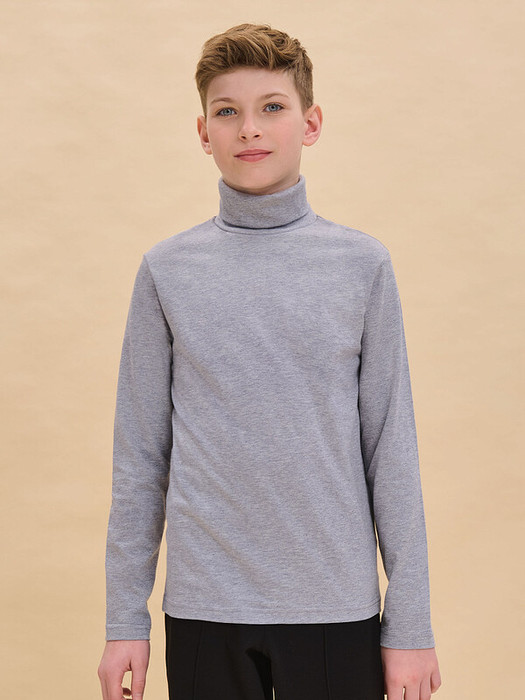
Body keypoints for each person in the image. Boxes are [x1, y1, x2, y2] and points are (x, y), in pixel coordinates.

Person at [97, 23, 442, 700]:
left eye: (272, 107)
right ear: (204, 133)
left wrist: (410, 624)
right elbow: (140, 458)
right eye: (227, 111)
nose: (249, 128)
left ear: (310, 124)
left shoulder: (361, 266)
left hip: (335, 609)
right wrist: (124, 619)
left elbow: (391, 450)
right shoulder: (167, 270)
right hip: (204, 610)